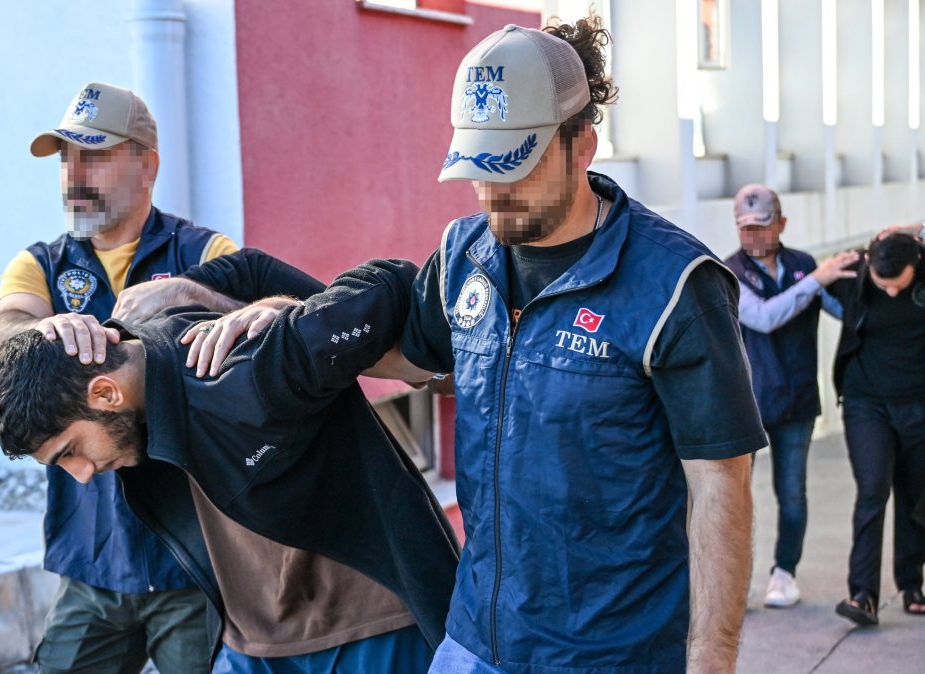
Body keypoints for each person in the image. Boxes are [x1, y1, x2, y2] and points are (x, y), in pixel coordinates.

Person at [380, 18, 764, 673]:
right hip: (474, 642)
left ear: (581, 145)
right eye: (479, 167)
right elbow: (405, 357)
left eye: (515, 166)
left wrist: (712, 659)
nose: (492, 192)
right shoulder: (464, 255)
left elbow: (721, 487)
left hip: (614, 655)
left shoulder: (674, 284)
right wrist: (286, 317)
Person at [0, 251, 461, 672]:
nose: (82, 474)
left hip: (365, 630)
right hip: (248, 643)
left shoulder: (244, 368)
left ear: (106, 392)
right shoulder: (139, 359)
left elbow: (387, 287)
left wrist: (295, 319)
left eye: (70, 451)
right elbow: (246, 269)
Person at [0, 82, 239, 673]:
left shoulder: (207, 252)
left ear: (146, 165)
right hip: (91, 562)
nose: (74, 173)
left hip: (193, 561)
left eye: (93, 155)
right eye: (65, 158)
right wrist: (39, 335)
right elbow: (4, 330)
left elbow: (254, 338)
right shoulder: (40, 264)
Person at [722, 184, 857, 608]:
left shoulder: (803, 264)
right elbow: (763, 318)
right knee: (734, 499)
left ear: (781, 223)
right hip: (748, 404)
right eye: (745, 229)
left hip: (797, 401)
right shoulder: (729, 273)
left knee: (792, 492)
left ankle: (784, 573)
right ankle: (732, 582)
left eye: (761, 227)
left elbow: (845, 311)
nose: (752, 237)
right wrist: (817, 282)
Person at [826, 230, 925, 625]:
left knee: (916, 497)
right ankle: (862, 594)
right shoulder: (855, 276)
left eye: (899, 284)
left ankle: (911, 583)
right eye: (885, 286)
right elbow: (809, 286)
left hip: (919, 403)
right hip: (866, 403)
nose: (892, 293)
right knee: (872, 492)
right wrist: (819, 276)